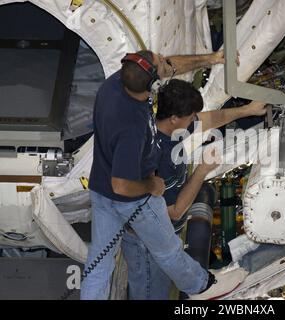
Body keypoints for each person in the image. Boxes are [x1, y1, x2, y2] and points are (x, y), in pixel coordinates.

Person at [80, 50, 248, 300]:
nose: (164, 61)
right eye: (160, 63)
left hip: (100, 190)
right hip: (131, 197)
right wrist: (152, 185)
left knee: (99, 266)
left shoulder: (115, 84)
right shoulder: (132, 127)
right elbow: (122, 185)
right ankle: (201, 287)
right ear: (152, 83)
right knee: (168, 250)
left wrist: (212, 58)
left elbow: (170, 66)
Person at [121, 79, 267, 300]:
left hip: (165, 234)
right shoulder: (157, 158)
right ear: (174, 118)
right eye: (190, 117)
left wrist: (249, 109)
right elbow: (175, 211)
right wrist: (202, 171)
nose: (194, 122)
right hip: (147, 244)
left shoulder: (164, 122)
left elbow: (211, 119)